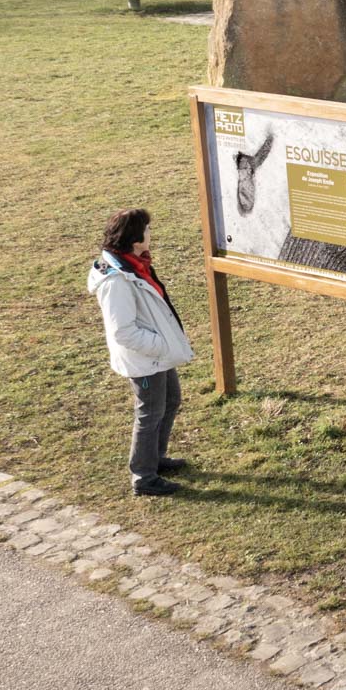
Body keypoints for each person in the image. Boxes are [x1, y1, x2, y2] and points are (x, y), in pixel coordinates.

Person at [86, 208, 193, 497]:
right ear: (135, 239)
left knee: (170, 401)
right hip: (146, 358)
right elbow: (123, 331)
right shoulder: (117, 281)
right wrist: (160, 346)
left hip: (157, 354)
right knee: (149, 413)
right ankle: (144, 477)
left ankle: (155, 460)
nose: (151, 234)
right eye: (147, 229)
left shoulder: (135, 265)